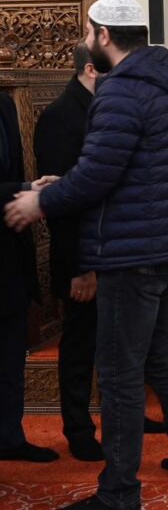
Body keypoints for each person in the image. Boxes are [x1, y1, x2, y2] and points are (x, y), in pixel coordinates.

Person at [5, 0, 168, 509]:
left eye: (86, 32)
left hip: (133, 255)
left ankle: (119, 492)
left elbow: (101, 174)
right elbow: (132, 171)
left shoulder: (121, 90)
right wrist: (66, 181)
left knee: (120, 374)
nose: (84, 42)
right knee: (156, 353)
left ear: (103, 35)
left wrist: (40, 201)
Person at [32, 43, 103, 461]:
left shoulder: (104, 110)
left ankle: (119, 415)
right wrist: (82, 268)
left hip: (114, 252)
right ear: (92, 70)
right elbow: (62, 202)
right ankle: (78, 428)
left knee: (113, 345)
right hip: (81, 258)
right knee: (79, 346)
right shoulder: (61, 117)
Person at [0, 94, 58, 466]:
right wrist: (24, 191)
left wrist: (27, 189)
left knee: (9, 353)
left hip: (8, 249)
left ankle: (9, 436)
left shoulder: (6, 103)